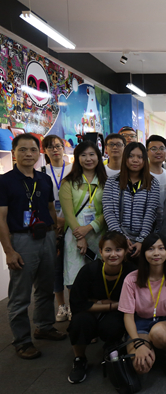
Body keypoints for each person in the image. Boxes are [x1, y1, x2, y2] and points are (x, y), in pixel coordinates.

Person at [0, 133, 66, 359]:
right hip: (22, 240)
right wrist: (9, 251)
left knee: (46, 287)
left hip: (46, 236)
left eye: (33, 150)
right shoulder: (5, 181)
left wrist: (55, 237)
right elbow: (1, 219)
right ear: (14, 153)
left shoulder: (44, 179)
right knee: (20, 294)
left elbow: (50, 209)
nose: (28, 154)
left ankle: (44, 326)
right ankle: (22, 340)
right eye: (23, 150)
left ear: (39, 153)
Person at [66, 231, 136, 384]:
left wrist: (97, 302)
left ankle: (111, 350)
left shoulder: (131, 272)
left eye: (118, 250)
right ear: (101, 252)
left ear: (125, 252)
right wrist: (112, 305)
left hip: (114, 313)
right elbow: (77, 303)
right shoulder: (89, 270)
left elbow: (135, 302)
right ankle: (79, 359)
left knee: (113, 325)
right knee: (79, 321)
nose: (113, 254)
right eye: (108, 250)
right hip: (93, 311)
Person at [119, 234, 166, 376]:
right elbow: (128, 316)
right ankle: (150, 352)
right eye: (150, 249)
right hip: (140, 324)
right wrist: (138, 344)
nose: (156, 253)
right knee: (140, 366)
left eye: (161, 248)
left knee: (158, 333)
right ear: (144, 253)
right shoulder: (131, 279)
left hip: (164, 322)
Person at [59, 141, 107, 287]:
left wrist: (89, 227)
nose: (88, 159)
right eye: (83, 155)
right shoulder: (68, 182)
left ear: (98, 157)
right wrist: (80, 236)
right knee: (75, 279)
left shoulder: (106, 182)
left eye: (92, 154)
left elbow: (108, 211)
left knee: (98, 277)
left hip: (98, 234)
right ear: (77, 158)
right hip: (75, 234)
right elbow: (68, 213)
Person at [102, 143, 160, 258]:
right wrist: (121, 238)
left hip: (144, 240)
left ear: (145, 160)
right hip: (117, 240)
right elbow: (108, 211)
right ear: (125, 158)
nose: (135, 160)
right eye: (131, 156)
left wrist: (141, 240)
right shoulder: (112, 182)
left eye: (140, 157)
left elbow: (151, 213)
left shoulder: (153, 183)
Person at [41, 135, 73, 322]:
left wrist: (66, 221)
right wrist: (55, 223)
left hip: (71, 223)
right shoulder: (42, 171)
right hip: (51, 226)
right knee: (56, 267)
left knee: (72, 264)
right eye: (50, 147)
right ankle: (62, 306)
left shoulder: (73, 169)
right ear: (45, 150)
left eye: (58, 146)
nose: (55, 150)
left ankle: (74, 303)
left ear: (63, 148)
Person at [146, 135, 166, 231]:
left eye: (162, 148)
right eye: (153, 149)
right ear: (146, 152)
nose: (158, 152)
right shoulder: (142, 176)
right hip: (147, 227)